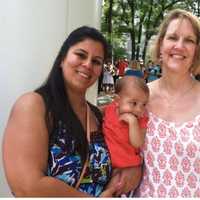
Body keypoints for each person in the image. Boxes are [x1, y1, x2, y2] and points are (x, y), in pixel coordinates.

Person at [2, 26, 141, 197]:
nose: (88, 64)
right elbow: (26, 187)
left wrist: (132, 170)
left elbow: (123, 154)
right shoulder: (33, 106)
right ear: (62, 58)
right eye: (81, 55)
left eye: (96, 61)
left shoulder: (97, 116)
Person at [134, 9, 200, 197]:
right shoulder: (139, 97)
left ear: (196, 51)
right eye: (172, 37)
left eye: (189, 40)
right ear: (161, 44)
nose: (179, 46)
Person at [102, 76, 149, 196]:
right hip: (107, 164)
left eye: (143, 104)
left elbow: (137, 143)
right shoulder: (109, 109)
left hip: (126, 167)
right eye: (134, 103)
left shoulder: (140, 120)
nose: (139, 109)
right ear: (117, 101)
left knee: (113, 188)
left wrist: (133, 123)